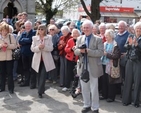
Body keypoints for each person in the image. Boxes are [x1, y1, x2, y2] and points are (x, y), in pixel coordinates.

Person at [74, 20, 104, 113]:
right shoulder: (79, 38)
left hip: (93, 66)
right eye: (84, 27)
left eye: (87, 27)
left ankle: (95, 107)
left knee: (94, 88)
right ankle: (86, 105)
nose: (86, 29)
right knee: (84, 87)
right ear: (82, 28)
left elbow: (100, 52)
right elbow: (76, 51)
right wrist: (80, 51)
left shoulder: (98, 39)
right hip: (82, 66)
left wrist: (88, 51)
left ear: (92, 28)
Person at [31, 24, 55, 98]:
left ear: (45, 30)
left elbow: (51, 48)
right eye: (39, 29)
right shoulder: (35, 38)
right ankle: (42, 89)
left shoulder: (49, 37)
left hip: (46, 60)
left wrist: (44, 47)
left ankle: (40, 92)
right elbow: (32, 49)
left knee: (43, 75)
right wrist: (38, 47)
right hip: (37, 60)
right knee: (39, 75)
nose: (40, 31)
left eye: (42, 29)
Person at [122, 22, 141, 108]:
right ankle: (126, 100)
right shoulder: (131, 36)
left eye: (140, 29)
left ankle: (136, 102)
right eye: (137, 28)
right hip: (129, 61)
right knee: (128, 81)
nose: (138, 30)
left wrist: (137, 45)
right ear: (134, 29)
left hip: (138, 62)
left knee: (137, 82)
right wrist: (129, 44)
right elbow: (125, 46)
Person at [101, 29, 121, 102]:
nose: (106, 36)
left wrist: (107, 54)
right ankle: (104, 95)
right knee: (104, 81)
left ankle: (111, 97)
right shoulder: (105, 43)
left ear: (111, 36)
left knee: (111, 81)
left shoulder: (115, 44)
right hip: (103, 64)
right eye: (106, 35)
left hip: (111, 65)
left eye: (108, 35)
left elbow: (116, 56)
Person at [0, 23, 17, 93]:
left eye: (6, 30)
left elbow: (15, 46)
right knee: (1, 73)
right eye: (3, 30)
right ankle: (2, 87)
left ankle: (11, 88)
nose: (4, 32)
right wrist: (1, 45)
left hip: (9, 57)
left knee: (10, 73)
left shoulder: (11, 36)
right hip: (1, 58)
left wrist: (8, 46)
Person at [18, 21, 36, 87]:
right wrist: (27, 40)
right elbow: (19, 41)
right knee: (25, 68)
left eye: (29, 26)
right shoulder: (23, 33)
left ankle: (32, 83)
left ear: (31, 26)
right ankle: (26, 82)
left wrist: (24, 40)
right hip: (24, 53)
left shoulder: (34, 32)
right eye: (26, 26)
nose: (27, 27)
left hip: (31, 53)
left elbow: (31, 40)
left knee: (32, 69)